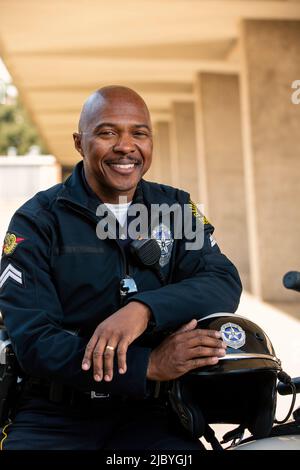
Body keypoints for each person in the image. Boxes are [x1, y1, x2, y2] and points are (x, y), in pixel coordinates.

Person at [0, 86, 242, 450]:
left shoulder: (175, 208)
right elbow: (35, 340)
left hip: (154, 413)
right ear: (79, 143)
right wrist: (147, 365)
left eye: (139, 133)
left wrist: (145, 309)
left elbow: (222, 279)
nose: (126, 146)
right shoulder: (37, 221)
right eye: (107, 132)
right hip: (55, 416)